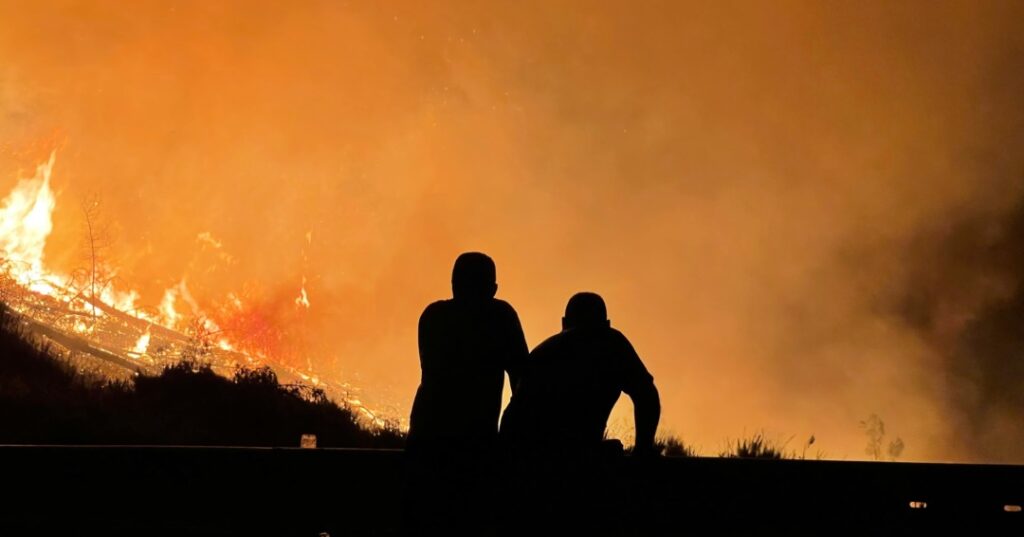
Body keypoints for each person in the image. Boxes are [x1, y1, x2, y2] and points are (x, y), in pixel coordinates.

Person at [404, 252, 528, 535]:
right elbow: (523, 378)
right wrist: (512, 434)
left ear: (453, 284)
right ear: (493, 289)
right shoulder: (500, 316)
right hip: (475, 444)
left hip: (425, 439)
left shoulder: (433, 315)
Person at [500, 291, 660, 456]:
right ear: (607, 323)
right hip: (547, 451)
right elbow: (646, 395)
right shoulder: (612, 343)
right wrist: (643, 449)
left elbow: (514, 417)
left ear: (564, 323)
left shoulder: (544, 351)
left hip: (521, 447)